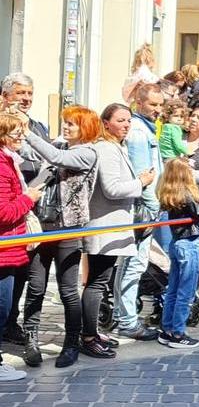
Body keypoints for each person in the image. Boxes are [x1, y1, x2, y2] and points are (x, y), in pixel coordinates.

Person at [21, 105, 101, 368]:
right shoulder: (60, 145)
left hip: (69, 229)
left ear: (85, 128)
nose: (65, 127)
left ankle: (71, 344)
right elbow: (39, 163)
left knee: (68, 291)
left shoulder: (88, 153)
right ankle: (30, 342)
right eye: (64, 122)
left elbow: (54, 157)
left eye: (71, 124)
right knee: (36, 288)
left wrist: (27, 131)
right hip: (43, 227)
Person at [81, 104, 156, 358]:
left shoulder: (117, 147)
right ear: (106, 123)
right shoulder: (106, 149)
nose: (126, 125)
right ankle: (88, 336)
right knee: (96, 283)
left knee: (100, 282)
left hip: (113, 226)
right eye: (120, 120)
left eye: (128, 121)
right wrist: (141, 183)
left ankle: (92, 332)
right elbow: (112, 188)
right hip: (104, 227)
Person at [0, 72, 49, 347]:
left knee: (20, 274)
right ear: (6, 96)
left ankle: (10, 322)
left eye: (29, 94)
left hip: (29, 212)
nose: (26, 99)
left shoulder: (37, 126)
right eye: (21, 93)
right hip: (12, 207)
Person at [114, 83, 164, 341]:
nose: (158, 110)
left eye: (160, 104)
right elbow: (143, 176)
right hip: (144, 208)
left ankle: (122, 316)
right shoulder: (137, 132)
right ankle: (126, 320)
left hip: (147, 206)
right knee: (133, 265)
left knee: (133, 264)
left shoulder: (145, 128)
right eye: (153, 104)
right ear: (139, 102)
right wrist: (153, 208)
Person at [156, 159, 199, 348]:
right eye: (190, 170)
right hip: (189, 244)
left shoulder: (170, 193)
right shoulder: (185, 194)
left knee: (173, 290)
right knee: (186, 292)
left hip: (177, 244)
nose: (193, 173)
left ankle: (167, 329)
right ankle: (177, 333)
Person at [0, 113, 42, 381]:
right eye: (16, 134)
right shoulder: (3, 166)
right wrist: (28, 198)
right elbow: (3, 212)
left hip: (10, 249)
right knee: (1, 308)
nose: (20, 139)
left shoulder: (9, 161)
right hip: (4, 250)